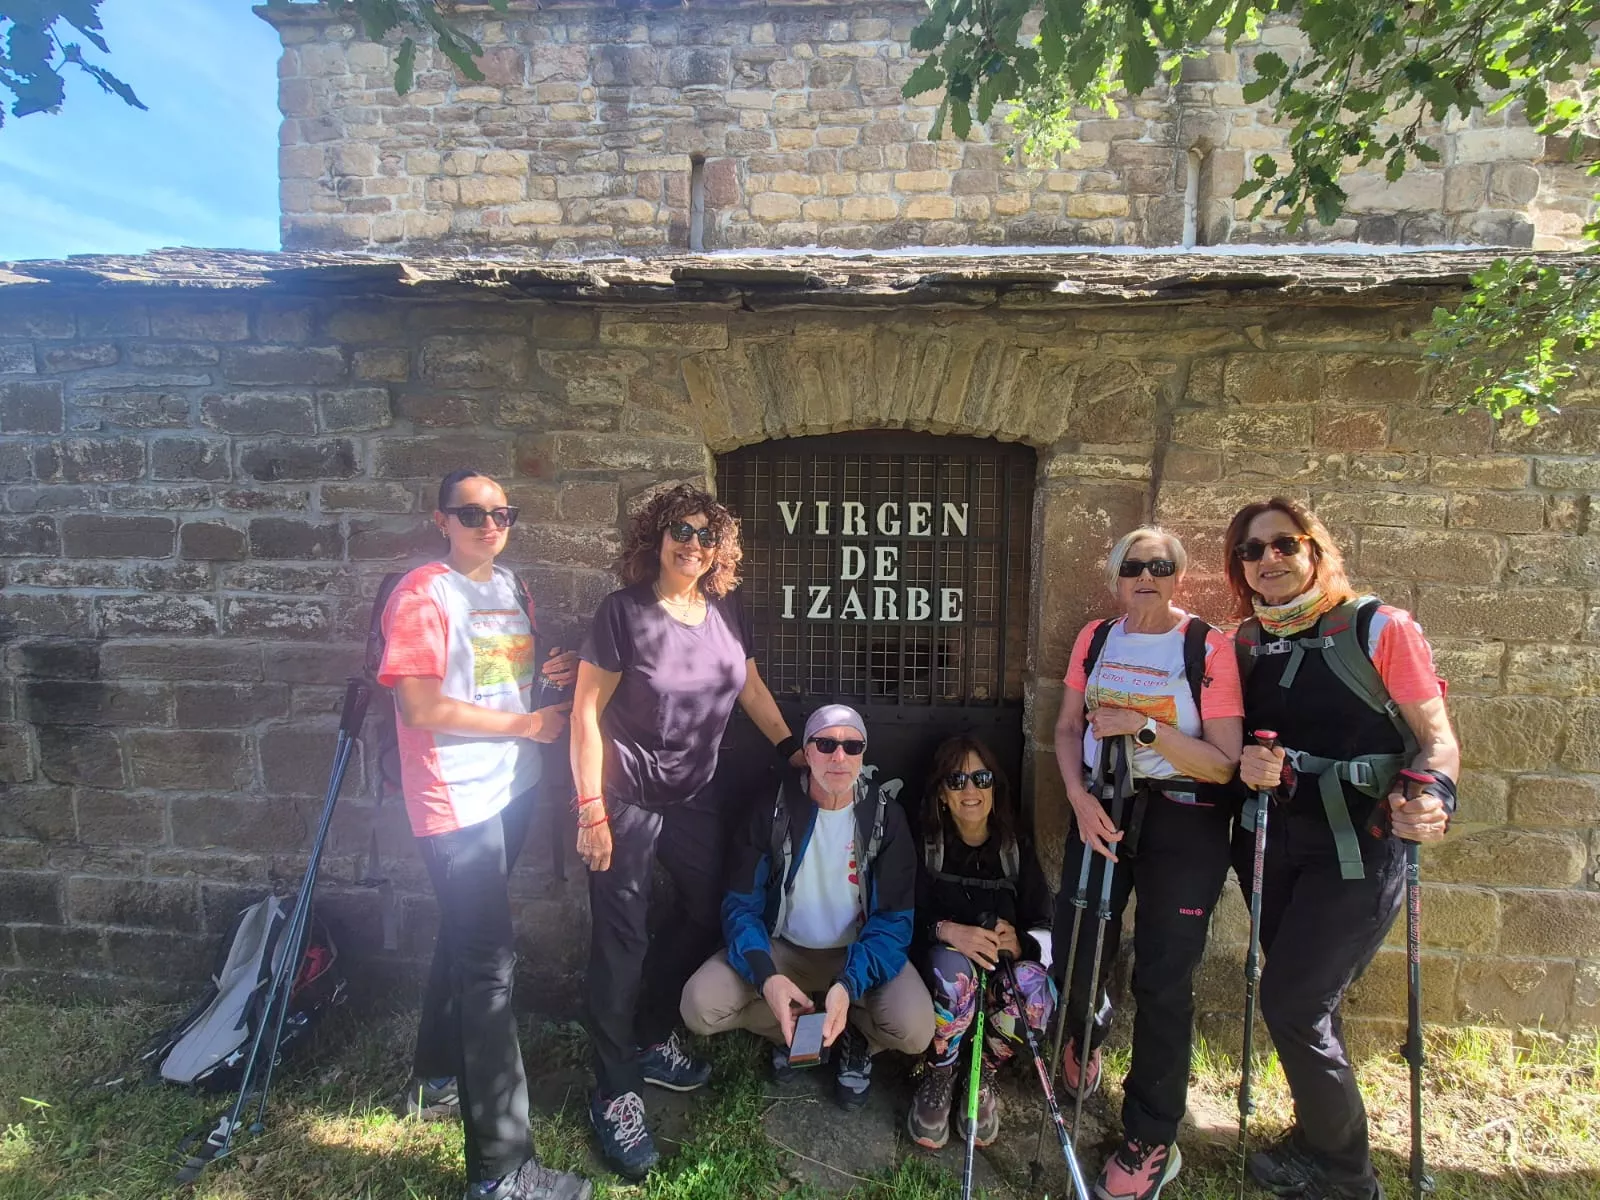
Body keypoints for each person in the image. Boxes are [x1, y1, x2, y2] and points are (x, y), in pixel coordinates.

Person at [570, 484, 803, 1180]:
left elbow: (749, 689)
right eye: (681, 529)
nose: (693, 543)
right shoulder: (623, 614)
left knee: (712, 908)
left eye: (706, 535)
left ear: (720, 549)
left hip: (696, 796)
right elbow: (585, 714)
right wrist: (590, 810)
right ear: (656, 536)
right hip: (625, 797)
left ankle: (646, 1035)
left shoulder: (726, 611)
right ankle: (613, 1092)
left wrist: (792, 748)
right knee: (621, 938)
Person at [1227, 498, 1458, 1200]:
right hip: (1276, 843)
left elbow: (1437, 737)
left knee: (1293, 1000)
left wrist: (1434, 795)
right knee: (1310, 1001)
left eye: (1285, 544)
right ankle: (1319, 1133)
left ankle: (1347, 1176)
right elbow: (1236, 739)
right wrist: (1249, 765)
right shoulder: (1245, 642)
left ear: (1315, 550)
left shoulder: (1379, 628)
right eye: (1251, 550)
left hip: (1361, 848)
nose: (1269, 559)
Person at [379, 468, 592, 1200]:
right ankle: (502, 1171)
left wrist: (545, 676)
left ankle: (435, 1078)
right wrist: (530, 725)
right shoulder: (422, 594)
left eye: (502, 510)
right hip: (455, 799)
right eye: (472, 512)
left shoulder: (509, 586)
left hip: (511, 789)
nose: (489, 522)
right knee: (490, 964)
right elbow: (419, 707)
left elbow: (501, 676)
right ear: (441, 519)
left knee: (466, 938)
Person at [1051, 526, 1245, 1200]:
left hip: (1184, 818)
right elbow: (1068, 725)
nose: (1146, 576)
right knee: (1078, 942)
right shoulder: (1096, 638)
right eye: (1133, 566)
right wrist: (1076, 798)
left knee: (1164, 977)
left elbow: (1223, 763)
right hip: (1103, 806)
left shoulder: (1206, 647)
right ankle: (1086, 1036)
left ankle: (1152, 1137)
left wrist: (1143, 726)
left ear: (1179, 577)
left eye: (1161, 566)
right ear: (1115, 576)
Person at [679, 704, 935, 1111]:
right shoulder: (771, 811)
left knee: (916, 1028)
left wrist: (849, 985)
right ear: (807, 752)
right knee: (699, 1005)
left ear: (863, 755)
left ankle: (854, 1037)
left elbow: (893, 922)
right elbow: (741, 907)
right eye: (826, 744)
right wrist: (767, 978)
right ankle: (793, 1032)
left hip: (856, 954)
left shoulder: (886, 819)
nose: (839, 756)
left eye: (852, 746)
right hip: (784, 950)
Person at [906, 735, 1054, 1152]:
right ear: (942, 794)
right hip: (943, 979)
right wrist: (947, 932)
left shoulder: (1014, 849)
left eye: (981, 778)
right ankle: (940, 1074)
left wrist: (1020, 942)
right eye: (957, 780)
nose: (970, 790)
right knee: (952, 975)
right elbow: (900, 921)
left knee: (1034, 990)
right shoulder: (926, 848)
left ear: (994, 787)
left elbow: (1046, 930)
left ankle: (983, 1074)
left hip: (999, 979)